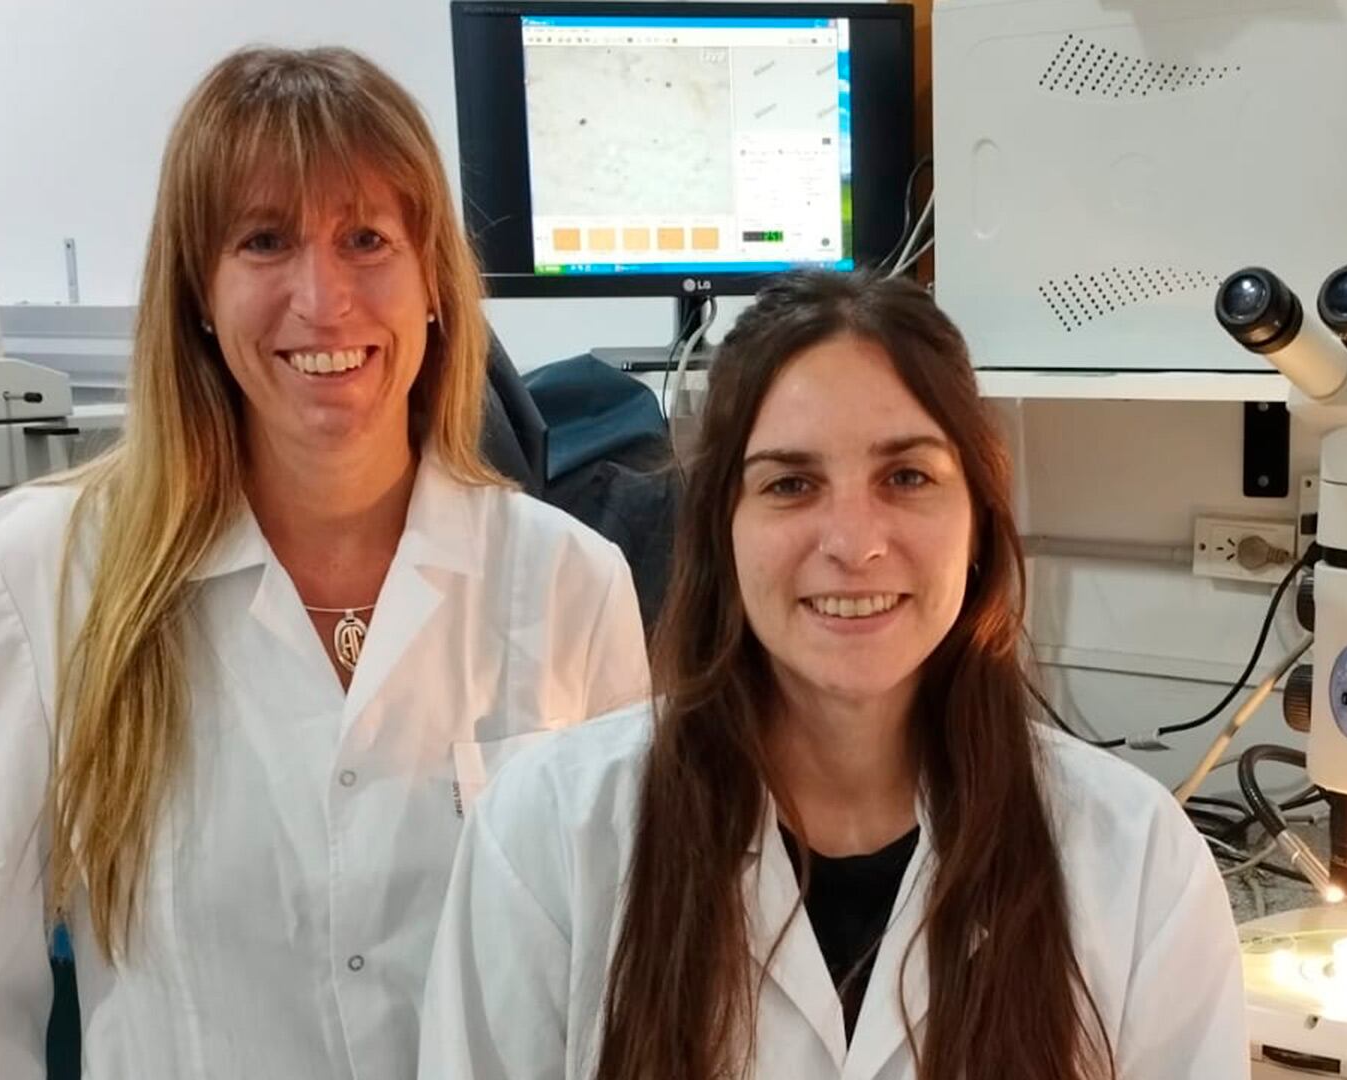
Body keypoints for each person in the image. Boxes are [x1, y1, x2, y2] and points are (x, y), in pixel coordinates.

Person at [0, 46, 649, 1078]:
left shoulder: (572, 581)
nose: (322, 296)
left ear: (434, 282)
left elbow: (625, 983)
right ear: (199, 293)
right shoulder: (41, 573)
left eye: (367, 238)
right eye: (264, 240)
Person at [418, 270, 1247, 1079]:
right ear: (721, 530)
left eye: (907, 477)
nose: (853, 544)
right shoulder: (550, 836)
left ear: (980, 522)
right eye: (791, 483)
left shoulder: (1136, 862)